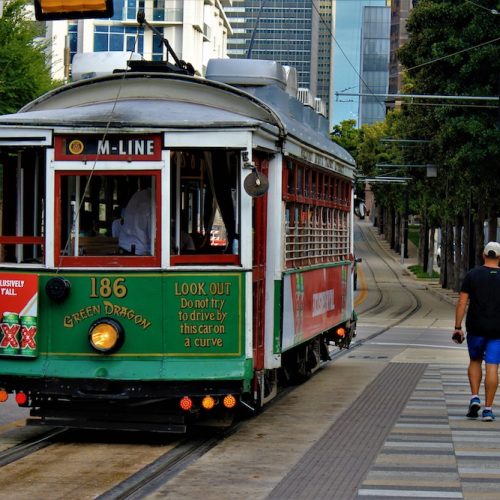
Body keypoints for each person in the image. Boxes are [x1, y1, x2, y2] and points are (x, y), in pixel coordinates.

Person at [453, 241, 500, 421]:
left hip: (476, 327)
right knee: (492, 367)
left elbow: (462, 302)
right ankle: (488, 409)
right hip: (497, 329)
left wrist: (458, 327)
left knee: (475, 360)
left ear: (484, 255)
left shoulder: (472, 275)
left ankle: (474, 397)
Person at [118, 187, 152, 255]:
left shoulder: (137, 195)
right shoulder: (151, 201)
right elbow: (153, 234)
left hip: (124, 246)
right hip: (139, 250)